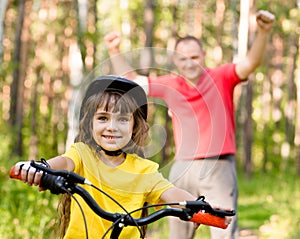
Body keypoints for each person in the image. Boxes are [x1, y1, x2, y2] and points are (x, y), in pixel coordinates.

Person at [104, 10, 275, 239]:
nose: (189, 63)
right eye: (183, 58)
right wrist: (114, 50)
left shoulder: (222, 76)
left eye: (194, 57)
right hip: (182, 167)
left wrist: (263, 31)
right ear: (175, 60)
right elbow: (134, 82)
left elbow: (251, 62)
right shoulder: (170, 84)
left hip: (218, 167)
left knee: (223, 230)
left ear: (203, 55)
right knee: (178, 234)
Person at [11, 75, 230, 238]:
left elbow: (169, 192)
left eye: (123, 119)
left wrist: (199, 205)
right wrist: (38, 168)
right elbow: (63, 163)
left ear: (135, 126)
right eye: (103, 118)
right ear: (91, 123)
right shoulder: (82, 154)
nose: (112, 127)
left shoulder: (144, 170)